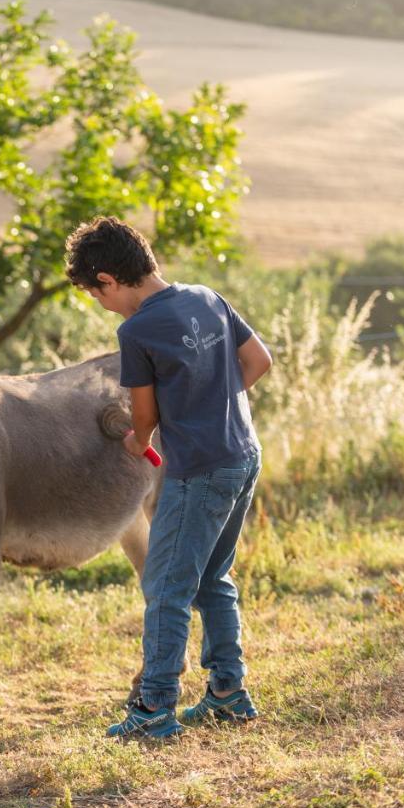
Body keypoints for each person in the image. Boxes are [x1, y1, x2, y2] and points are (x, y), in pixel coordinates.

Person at [64, 216, 273, 740]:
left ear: (108, 279)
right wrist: (214, 400)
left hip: (199, 469)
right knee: (211, 578)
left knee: (165, 587)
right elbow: (259, 360)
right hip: (243, 455)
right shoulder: (206, 296)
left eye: (95, 293)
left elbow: (144, 418)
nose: (100, 303)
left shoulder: (135, 330)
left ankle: (155, 707)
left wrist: (139, 440)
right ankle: (228, 691)